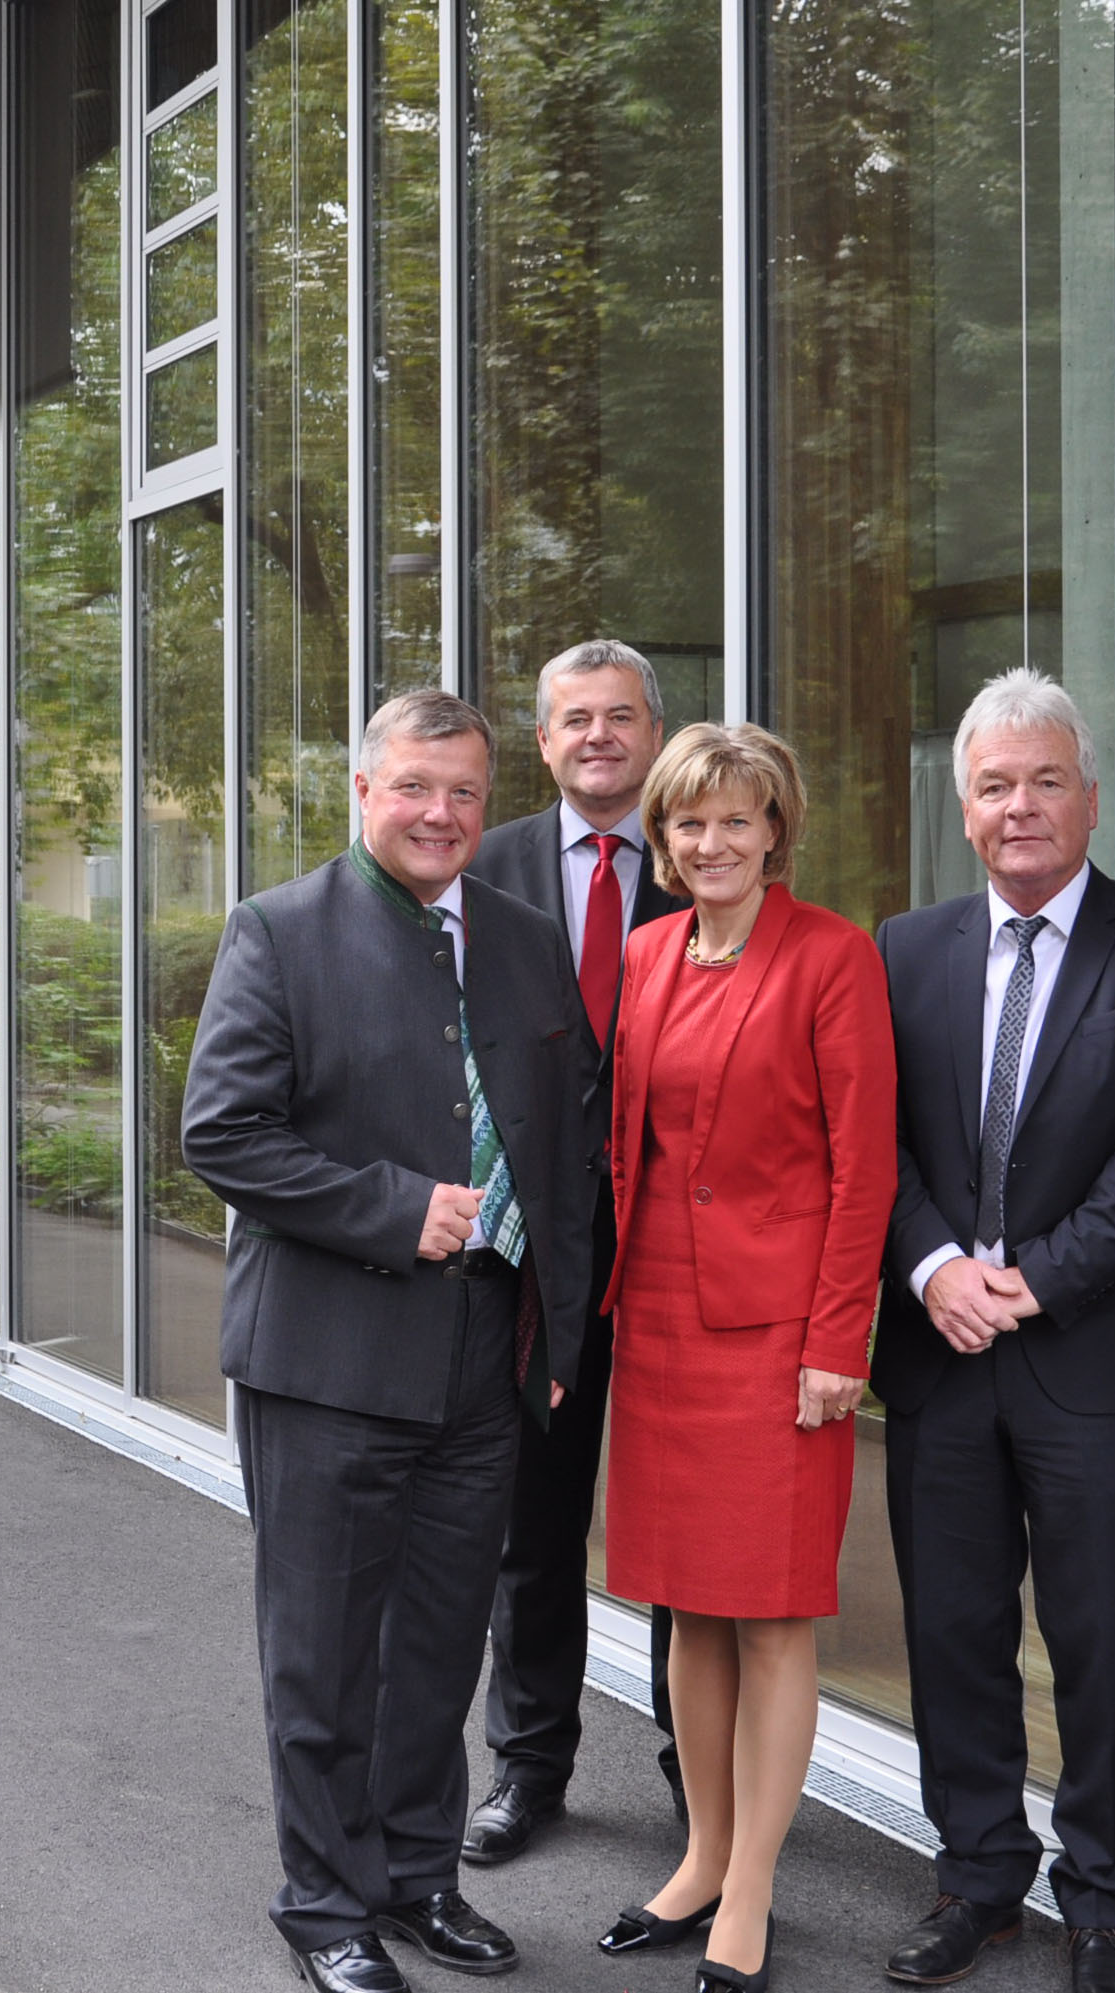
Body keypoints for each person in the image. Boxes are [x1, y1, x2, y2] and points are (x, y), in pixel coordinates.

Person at [182, 688, 603, 1993]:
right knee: (321, 1647)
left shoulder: (528, 939)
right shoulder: (278, 933)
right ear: (363, 791)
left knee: (433, 1638)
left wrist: (559, 1318)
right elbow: (223, 1134)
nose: (439, 813)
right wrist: (392, 1209)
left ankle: (418, 1879)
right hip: (327, 1356)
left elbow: (568, 1123)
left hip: (485, 1344)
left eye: (464, 791)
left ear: (489, 799)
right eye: (413, 787)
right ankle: (322, 1904)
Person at [871, 669, 1115, 1993]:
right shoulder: (902, 950)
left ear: (1084, 796)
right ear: (962, 809)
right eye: (990, 785)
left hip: (1094, 1355)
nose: (1017, 806)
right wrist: (928, 1269)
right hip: (940, 1352)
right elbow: (877, 1142)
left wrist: (1038, 1277)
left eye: (1040, 781)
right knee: (953, 1633)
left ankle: (1104, 1900)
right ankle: (977, 1878)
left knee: (1106, 1639)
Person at [593, 722, 894, 1992]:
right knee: (685, 1609)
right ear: (659, 840)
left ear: (777, 828)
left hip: (777, 1337)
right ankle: (702, 1850)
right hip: (654, 1321)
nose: (708, 843)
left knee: (770, 1618)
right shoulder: (645, 951)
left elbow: (860, 1164)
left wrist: (838, 1340)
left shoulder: (833, 957)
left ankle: (756, 1880)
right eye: (684, 822)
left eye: (734, 819)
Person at [461, 638, 684, 1862]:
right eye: (574, 719)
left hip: (673, 1261)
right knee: (529, 1527)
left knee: (674, 1533)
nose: (598, 735)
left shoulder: (708, 857)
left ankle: (691, 1779)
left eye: (621, 715)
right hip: (532, 1261)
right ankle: (528, 1765)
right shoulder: (482, 870)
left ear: (655, 733)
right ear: (542, 743)